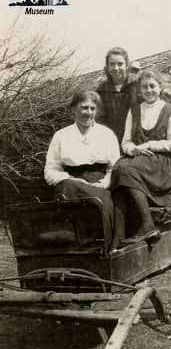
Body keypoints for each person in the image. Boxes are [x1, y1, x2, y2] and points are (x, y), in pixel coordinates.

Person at [111, 68, 171, 248]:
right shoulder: (133, 111)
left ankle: (148, 225)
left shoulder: (170, 111)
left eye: (152, 86)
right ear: (139, 90)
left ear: (160, 87)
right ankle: (118, 237)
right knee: (118, 170)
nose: (149, 90)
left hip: (162, 164)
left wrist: (149, 145)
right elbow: (125, 142)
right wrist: (133, 149)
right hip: (139, 160)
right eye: (145, 87)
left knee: (125, 169)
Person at [44, 90, 120, 251]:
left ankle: (102, 252)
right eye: (84, 108)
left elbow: (114, 166)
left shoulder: (106, 134)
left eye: (93, 108)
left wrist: (105, 183)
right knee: (67, 190)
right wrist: (70, 179)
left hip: (99, 185)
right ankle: (72, 253)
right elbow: (50, 170)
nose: (88, 112)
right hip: (70, 183)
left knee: (101, 204)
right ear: (74, 109)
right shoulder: (61, 136)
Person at [97, 47, 139, 144]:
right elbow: (99, 120)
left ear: (127, 66)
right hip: (110, 140)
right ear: (107, 67)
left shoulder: (137, 85)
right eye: (112, 64)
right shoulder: (101, 90)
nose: (116, 68)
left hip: (135, 139)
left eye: (120, 64)